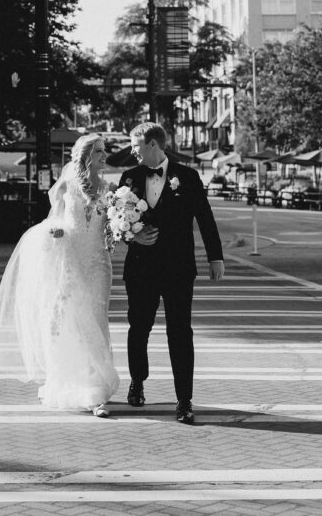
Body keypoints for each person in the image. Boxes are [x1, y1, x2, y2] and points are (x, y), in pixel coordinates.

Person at [0, 133, 119, 417]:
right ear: (85, 157)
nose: (104, 156)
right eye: (98, 151)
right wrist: (55, 230)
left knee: (96, 321)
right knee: (71, 321)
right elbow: (52, 220)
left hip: (98, 263)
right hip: (70, 260)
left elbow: (111, 229)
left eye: (104, 151)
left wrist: (122, 225)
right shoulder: (66, 187)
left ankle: (97, 386)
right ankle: (79, 387)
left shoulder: (110, 189)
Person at [121, 121, 225, 425]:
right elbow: (116, 223)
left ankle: (184, 400)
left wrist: (215, 257)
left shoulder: (188, 177)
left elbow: (205, 219)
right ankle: (137, 381)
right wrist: (133, 236)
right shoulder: (130, 178)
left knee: (180, 332)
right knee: (138, 327)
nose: (132, 150)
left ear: (152, 144)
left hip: (178, 268)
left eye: (135, 145)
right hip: (140, 267)